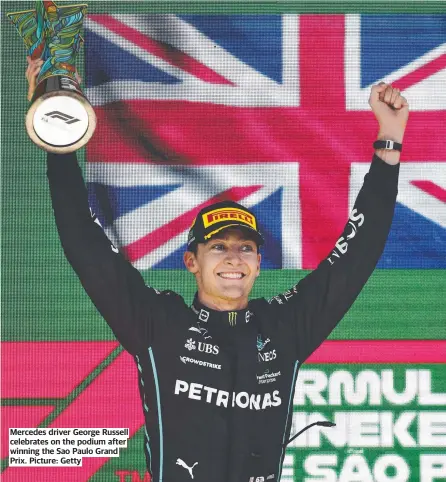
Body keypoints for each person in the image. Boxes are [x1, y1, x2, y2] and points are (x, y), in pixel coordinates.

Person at [26, 57, 408, 482]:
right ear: (191, 261)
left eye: (245, 248)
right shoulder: (157, 323)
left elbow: (355, 257)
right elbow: (86, 246)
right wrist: (59, 143)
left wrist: (389, 143)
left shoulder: (285, 326)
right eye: (218, 247)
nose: (233, 257)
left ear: (259, 263)